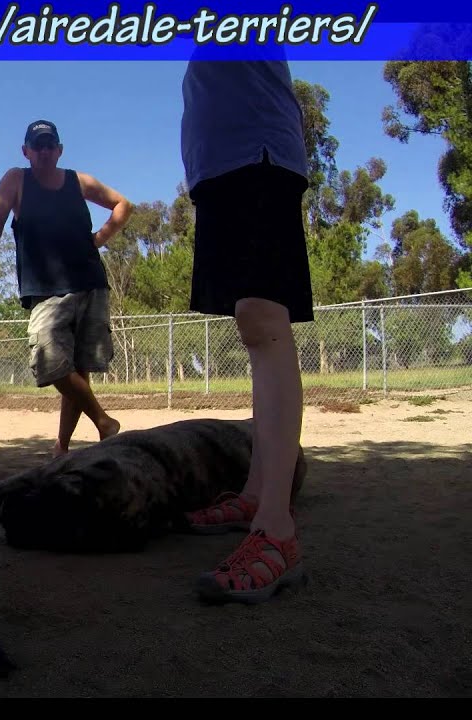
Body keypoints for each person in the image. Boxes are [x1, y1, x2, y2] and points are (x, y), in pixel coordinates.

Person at [179, 50, 313, 604]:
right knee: (249, 320)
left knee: (264, 319)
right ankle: (258, 492)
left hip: (258, 151)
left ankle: (276, 530)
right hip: (218, 164)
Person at [0, 120, 130, 457]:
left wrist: (99, 239)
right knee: (50, 362)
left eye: (51, 144)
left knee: (79, 369)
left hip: (90, 282)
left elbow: (123, 205)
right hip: (46, 290)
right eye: (38, 145)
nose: (45, 151)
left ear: (60, 150)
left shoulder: (79, 181)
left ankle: (61, 448)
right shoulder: (16, 180)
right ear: (27, 151)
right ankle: (104, 422)